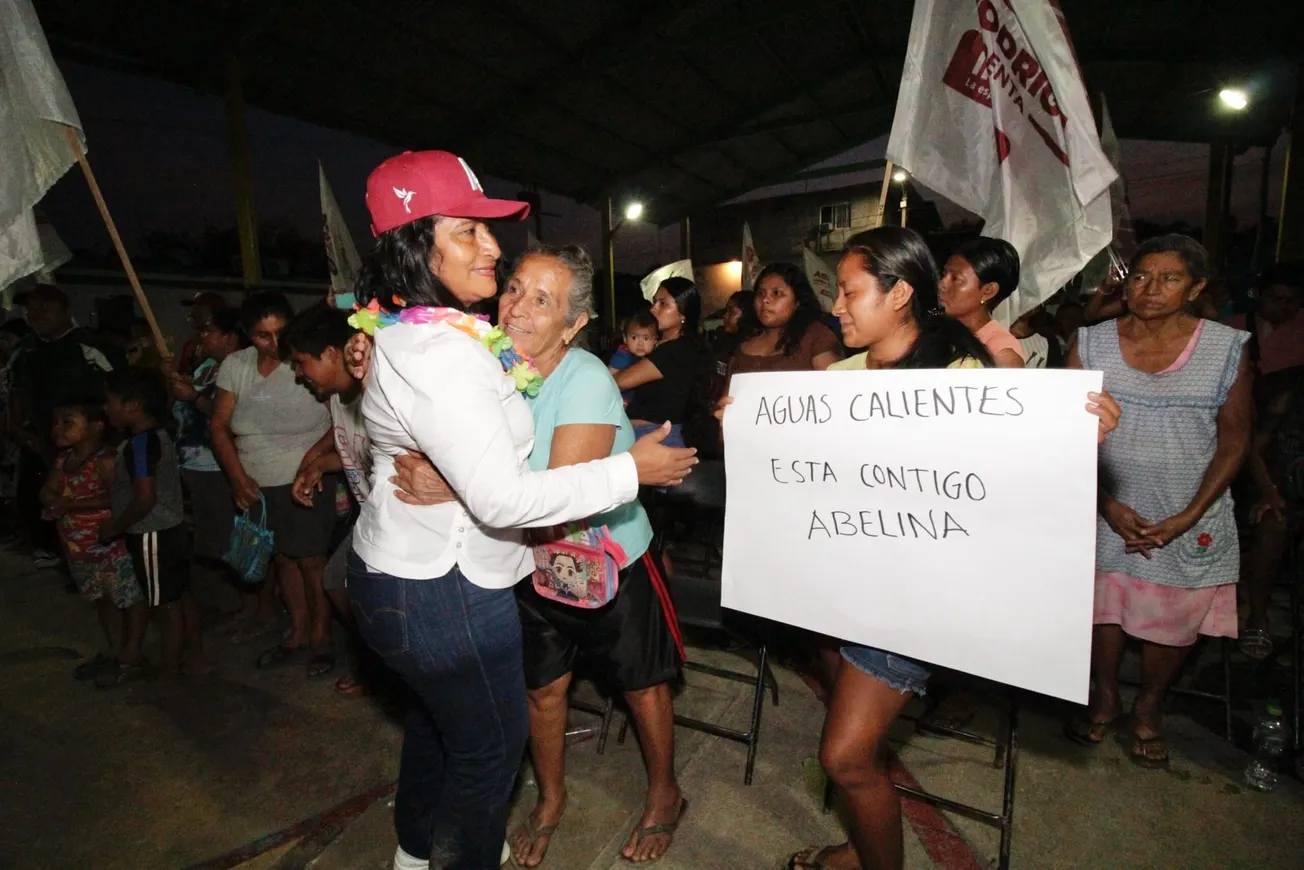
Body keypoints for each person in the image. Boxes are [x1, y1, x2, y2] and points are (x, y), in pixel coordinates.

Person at [715, 227, 1119, 870]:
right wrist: (745, 428)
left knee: (843, 756)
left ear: (900, 293)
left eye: (848, 293)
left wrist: (1075, 438)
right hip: (839, 590)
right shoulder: (842, 375)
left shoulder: (959, 376)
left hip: (913, 602)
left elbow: (1005, 481)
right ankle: (860, 847)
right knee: (859, 753)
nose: (837, 308)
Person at [341, 150, 696, 870]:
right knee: (518, 710)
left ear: (573, 325)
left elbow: (538, 483)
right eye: (517, 291)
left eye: (542, 300)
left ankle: (662, 794)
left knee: (636, 684)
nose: (514, 299)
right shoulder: (472, 351)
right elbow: (491, 472)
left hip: (597, 560)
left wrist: (460, 482)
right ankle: (530, 809)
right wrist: (470, 482)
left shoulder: (575, 372)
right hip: (502, 569)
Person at [1064, 234, 1251, 769]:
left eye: (1170, 278)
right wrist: (1106, 504)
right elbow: (1065, 430)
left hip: (1187, 508)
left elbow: (1235, 437)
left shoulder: (1225, 347)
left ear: (1196, 288)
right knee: (1103, 609)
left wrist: (1188, 516)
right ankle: (1105, 697)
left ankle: (1148, 708)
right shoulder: (1091, 340)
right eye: (1141, 276)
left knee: (1172, 615)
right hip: (1107, 503)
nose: (1150, 288)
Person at [212, 292, 337, 675]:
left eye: (280, 332)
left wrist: (313, 459)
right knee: (283, 558)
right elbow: (218, 424)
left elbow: (342, 420)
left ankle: (321, 640)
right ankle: (296, 631)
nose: (274, 344)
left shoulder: (306, 363)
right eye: (262, 336)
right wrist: (237, 477)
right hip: (255, 481)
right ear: (247, 335)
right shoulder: (237, 365)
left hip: (304, 478)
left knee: (312, 562)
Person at [282, 304, 373, 691]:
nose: (299, 374)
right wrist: (321, 465)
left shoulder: (377, 396)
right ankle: (375, 661)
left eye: (302, 363)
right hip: (370, 516)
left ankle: (383, 668)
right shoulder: (337, 397)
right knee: (337, 580)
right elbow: (359, 454)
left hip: (397, 521)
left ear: (334, 354)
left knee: (343, 581)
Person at [101, 367, 205, 686]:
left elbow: (145, 497)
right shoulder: (157, 435)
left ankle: (169, 671)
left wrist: (116, 526)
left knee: (165, 604)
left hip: (151, 532)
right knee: (180, 594)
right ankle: (195, 657)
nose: (106, 409)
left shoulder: (140, 444)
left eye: (110, 402)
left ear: (133, 405)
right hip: (170, 528)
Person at [7, 285, 119, 569]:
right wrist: (18, 430)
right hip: (41, 440)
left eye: (46, 307)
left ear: (66, 310)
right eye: (32, 308)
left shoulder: (90, 346)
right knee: (34, 496)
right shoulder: (24, 350)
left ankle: (96, 559)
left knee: (89, 499)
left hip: (89, 442)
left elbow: (118, 391)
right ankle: (56, 553)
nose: (38, 314)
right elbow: (17, 395)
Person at [39, 401, 146, 682]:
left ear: (96, 426)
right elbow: (47, 490)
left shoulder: (104, 460)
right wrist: (53, 502)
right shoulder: (64, 461)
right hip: (79, 550)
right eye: (57, 422)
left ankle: (132, 651)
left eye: (67, 421)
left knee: (129, 597)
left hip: (109, 545)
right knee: (102, 599)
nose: (57, 429)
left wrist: (68, 505)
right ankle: (114, 649)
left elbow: (118, 498)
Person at [169, 308, 245, 621]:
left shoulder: (238, 367)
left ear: (229, 337)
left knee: (222, 537)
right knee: (207, 534)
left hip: (217, 465)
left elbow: (230, 417)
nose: (202, 338)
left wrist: (193, 398)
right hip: (195, 462)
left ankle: (231, 604)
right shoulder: (208, 368)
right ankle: (217, 601)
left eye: (208, 331)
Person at [614, 276, 703, 445]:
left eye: (663, 304)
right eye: (654, 302)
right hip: (643, 435)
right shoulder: (656, 344)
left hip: (657, 438)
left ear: (683, 313)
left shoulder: (678, 349)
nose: (653, 309)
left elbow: (619, 381)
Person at [728, 262, 841, 377]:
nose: (765, 300)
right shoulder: (743, 340)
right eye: (761, 293)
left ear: (797, 301)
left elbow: (832, 387)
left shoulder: (815, 336)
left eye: (776, 293)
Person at [939, 237, 1026, 367]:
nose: (941, 284)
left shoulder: (1002, 354)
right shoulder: (937, 332)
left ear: (988, 291)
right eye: (943, 274)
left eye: (955, 278)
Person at [1225, 260, 1304, 376]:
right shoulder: (1233, 328)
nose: (1283, 306)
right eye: (1276, 299)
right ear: (1258, 294)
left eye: (1291, 301)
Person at [608, 309, 659, 404]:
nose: (640, 344)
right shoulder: (623, 356)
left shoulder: (653, 358)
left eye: (646, 338)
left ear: (655, 341)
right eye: (634, 338)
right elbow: (608, 379)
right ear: (625, 338)